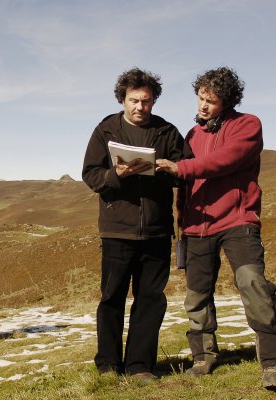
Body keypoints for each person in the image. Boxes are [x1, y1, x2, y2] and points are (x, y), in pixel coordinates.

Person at [156, 67, 276, 391]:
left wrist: (181, 167)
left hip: (237, 221)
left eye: (211, 101)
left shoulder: (247, 125)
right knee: (196, 294)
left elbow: (224, 160)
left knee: (253, 284)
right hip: (196, 226)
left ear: (227, 102)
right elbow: (185, 183)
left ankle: (274, 364)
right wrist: (180, 214)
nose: (203, 105)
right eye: (201, 97)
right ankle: (203, 356)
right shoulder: (191, 136)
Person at [82, 67, 188, 383]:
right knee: (112, 298)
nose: (140, 107)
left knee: (151, 300)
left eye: (146, 101)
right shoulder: (106, 130)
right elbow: (90, 174)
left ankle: (140, 366)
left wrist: (168, 169)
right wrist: (117, 175)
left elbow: (186, 170)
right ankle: (108, 365)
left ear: (153, 101)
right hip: (117, 229)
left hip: (156, 231)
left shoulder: (167, 132)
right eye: (134, 100)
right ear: (123, 99)